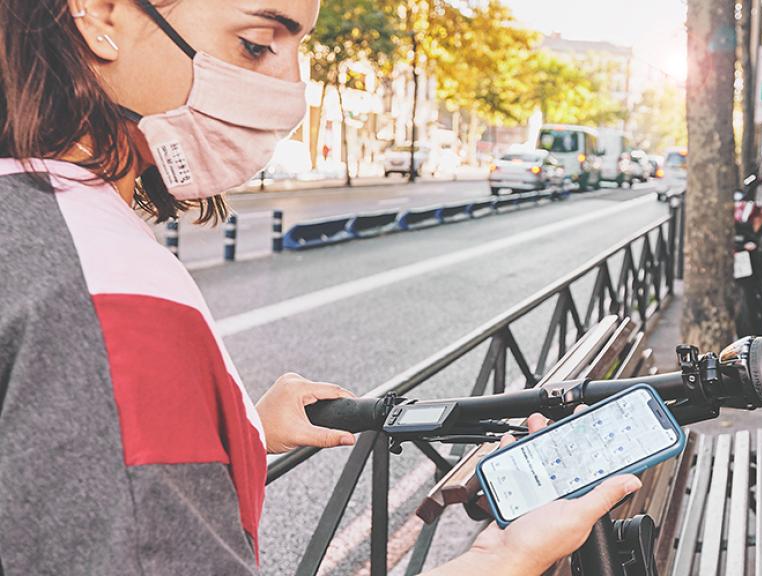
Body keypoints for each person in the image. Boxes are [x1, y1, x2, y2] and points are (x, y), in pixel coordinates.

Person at [0, 1, 641, 575]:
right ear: (99, 14)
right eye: (256, 43)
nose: (290, 91)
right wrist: (505, 559)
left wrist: (240, 431)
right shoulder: (110, 289)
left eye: (300, 44)